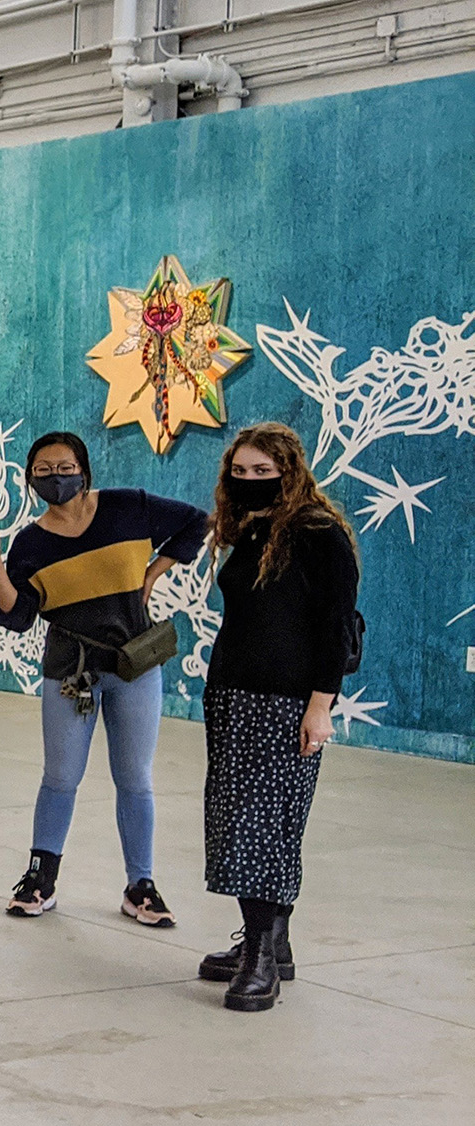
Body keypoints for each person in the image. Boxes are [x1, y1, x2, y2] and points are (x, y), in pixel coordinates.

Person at [0, 432, 208, 925]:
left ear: (85, 470)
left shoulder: (128, 508)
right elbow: (17, 616)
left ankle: (141, 886)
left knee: (134, 778)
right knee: (60, 777)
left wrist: (155, 572)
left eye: (65, 467)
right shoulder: (30, 543)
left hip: (134, 665)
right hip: (69, 672)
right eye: (44, 470)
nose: (57, 478)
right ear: (30, 479)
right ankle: (40, 879)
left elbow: (196, 523)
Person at [195, 422, 361, 1013]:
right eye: (239, 472)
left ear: (289, 471)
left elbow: (337, 626)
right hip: (233, 695)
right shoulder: (249, 527)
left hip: (289, 703)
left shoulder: (319, 532)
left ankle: (261, 955)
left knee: (264, 824)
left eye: (262, 472)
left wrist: (322, 705)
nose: (249, 481)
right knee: (237, 818)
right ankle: (272, 944)